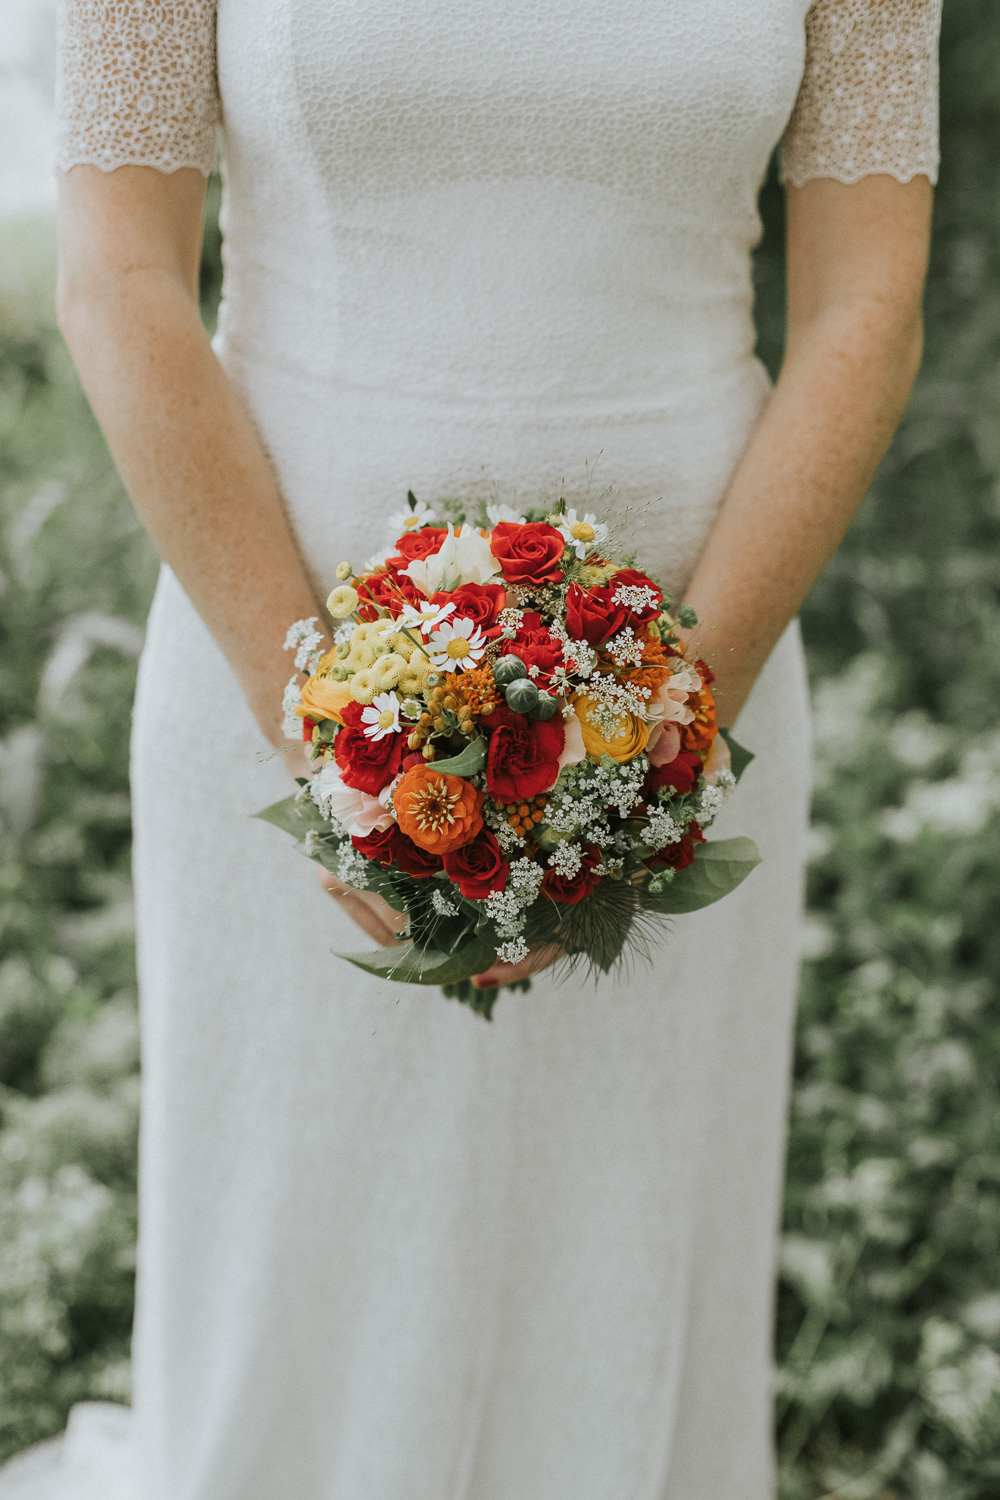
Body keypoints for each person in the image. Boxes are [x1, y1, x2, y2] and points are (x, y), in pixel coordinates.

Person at [0, 2, 940, 1497]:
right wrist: (326, 733)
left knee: (620, 1259)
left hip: (710, 650)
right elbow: (121, 276)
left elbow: (863, 306)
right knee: (298, 1276)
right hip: (280, 643)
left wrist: (666, 730)